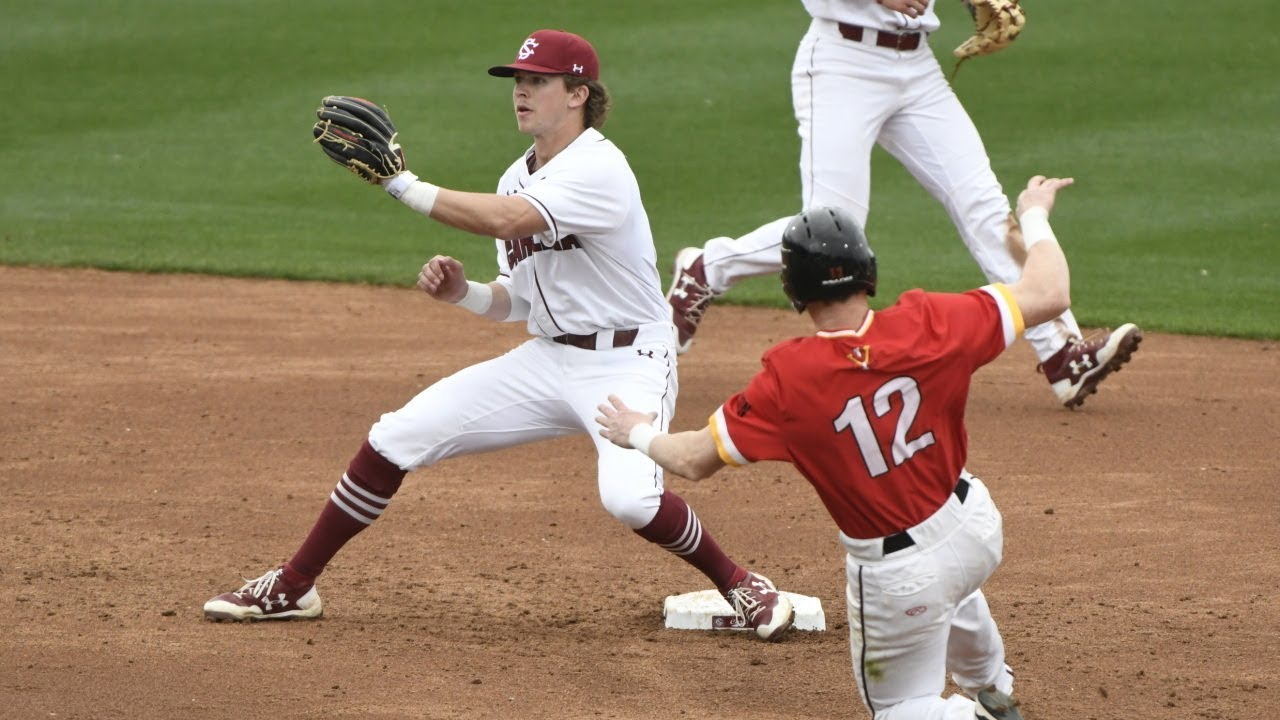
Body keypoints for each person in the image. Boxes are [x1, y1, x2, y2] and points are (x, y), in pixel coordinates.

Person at [203, 28, 794, 642]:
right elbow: (518, 302)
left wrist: (401, 184)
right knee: (395, 437)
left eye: (537, 81)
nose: (521, 92)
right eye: (517, 81)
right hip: (548, 358)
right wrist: (461, 293)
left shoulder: (599, 165)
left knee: (630, 500)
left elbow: (511, 218)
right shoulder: (517, 174)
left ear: (578, 94)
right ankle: (292, 586)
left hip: (628, 361)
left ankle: (742, 584)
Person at [598, 174, 1079, 719]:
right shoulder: (933, 320)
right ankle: (992, 684)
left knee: (898, 707)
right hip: (973, 527)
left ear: (792, 291)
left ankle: (979, 715)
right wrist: (1035, 212)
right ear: (869, 273)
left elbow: (691, 459)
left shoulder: (788, 379)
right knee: (956, 585)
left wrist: (636, 430)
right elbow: (1050, 293)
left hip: (900, 577)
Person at [665, 0, 1141, 409]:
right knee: (831, 228)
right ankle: (708, 268)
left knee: (984, 204)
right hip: (840, 62)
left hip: (917, 69)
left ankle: (1062, 353)